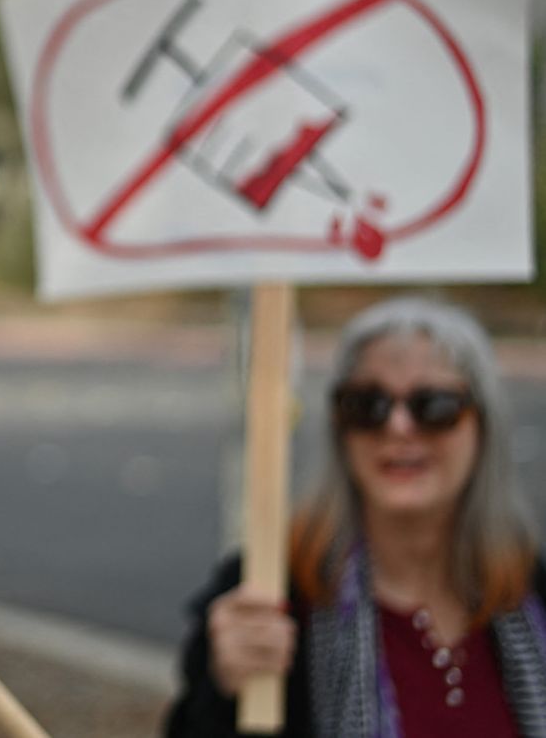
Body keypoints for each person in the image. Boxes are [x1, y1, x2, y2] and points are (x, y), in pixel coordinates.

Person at [165, 296, 546, 737]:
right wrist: (221, 695)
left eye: (434, 406)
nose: (399, 427)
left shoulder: (531, 588)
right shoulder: (268, 596)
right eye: (368, 405)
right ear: (339, 428)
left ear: (483, 426)